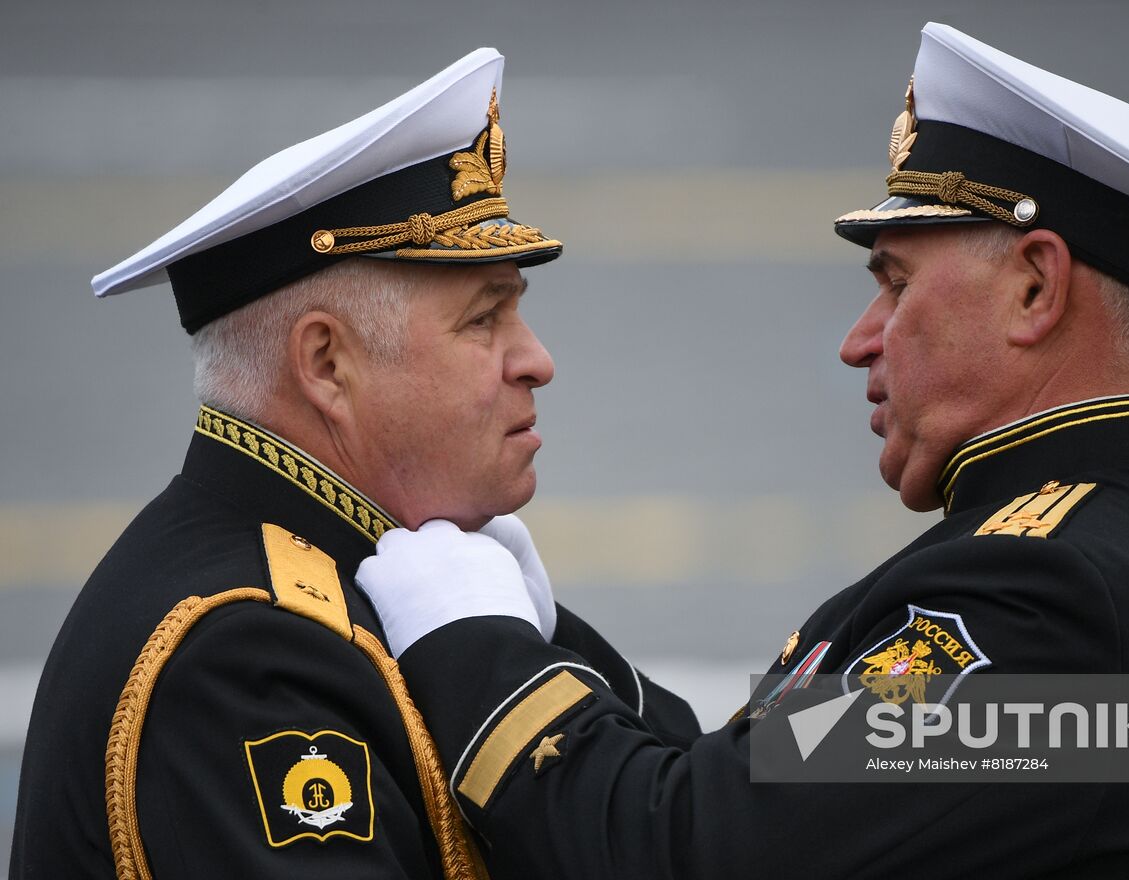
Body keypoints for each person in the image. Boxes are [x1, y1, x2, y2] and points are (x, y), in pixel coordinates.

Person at [352, 23, 1129, 879]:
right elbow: (765, 789)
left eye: (896, 284)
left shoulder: (1049, 602)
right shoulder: (1118, 542)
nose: (860, 340)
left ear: (1035, 289)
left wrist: (472, 644)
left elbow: (687, 853)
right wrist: (549, 642)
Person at [9, 49, 699, 880]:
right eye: (484, 320)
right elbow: (727, 820)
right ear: (327, 364)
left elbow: (714, 807)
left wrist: (541, 648)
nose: (537, 361)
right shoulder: (249, 658)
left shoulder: (379, 583)